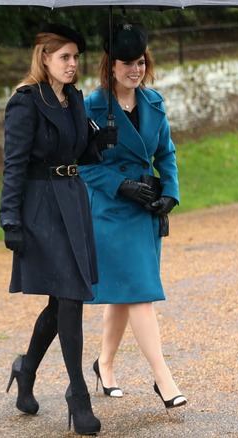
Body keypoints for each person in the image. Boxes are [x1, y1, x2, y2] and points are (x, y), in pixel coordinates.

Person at [0, 23, 116, 435]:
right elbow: (13, 164)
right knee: (69, 296)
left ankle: (25, 367)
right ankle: (77, 395)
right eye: (64, 56)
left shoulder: (74, 101)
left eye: (76, 57)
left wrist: (100, 143)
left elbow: (80, 153)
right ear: (44, 58)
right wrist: (9, 219)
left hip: (73, 199)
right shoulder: (25, 102)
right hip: (40, 207)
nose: (72, 64)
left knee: (65, 297)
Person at [78, 20, 187, 410]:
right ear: (111, 65)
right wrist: (119, 186)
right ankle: (164, 379)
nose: (134, 70)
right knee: (139, 291)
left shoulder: (154, 102)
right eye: (126, 63)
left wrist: (170, 194)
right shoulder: (90, 106)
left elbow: (166, 154)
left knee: (124, 293)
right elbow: (84, 165)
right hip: (109, 211)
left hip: (146, 210)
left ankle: (104, 365)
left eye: (139, 62)